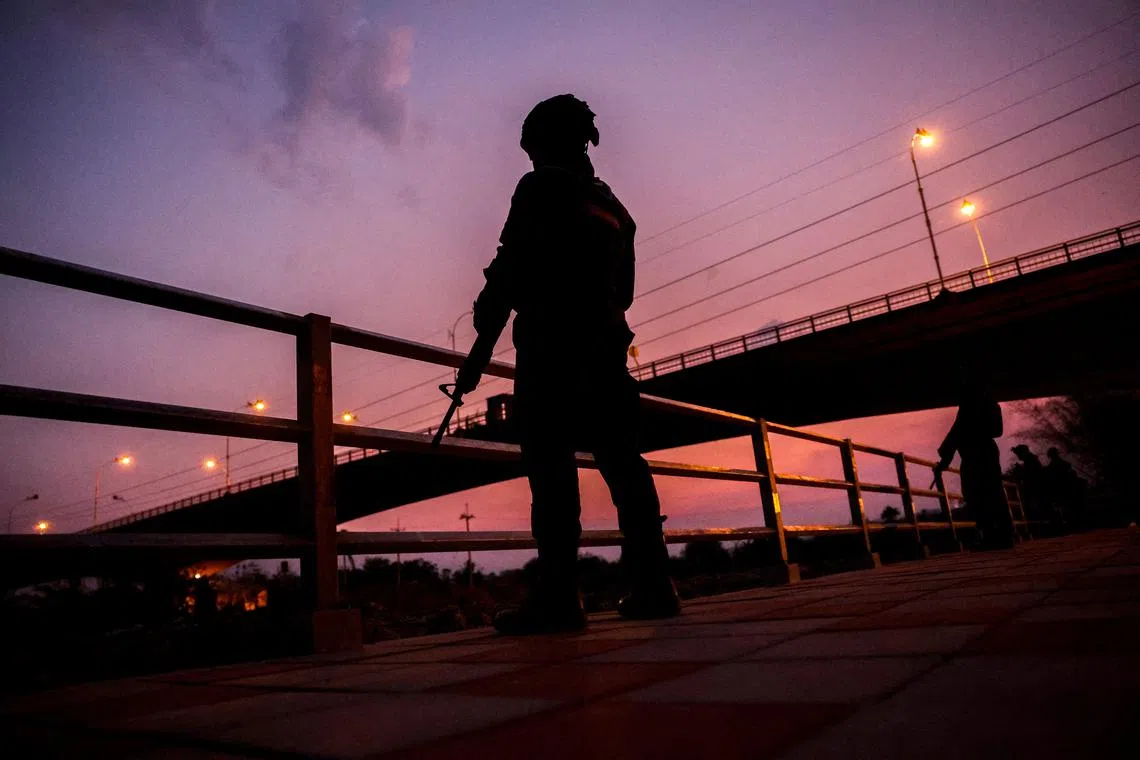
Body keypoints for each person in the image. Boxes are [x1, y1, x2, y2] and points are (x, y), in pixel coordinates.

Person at [455, 94, 680, 634]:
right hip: (606, 351)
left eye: (531, 147)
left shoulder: (539, 188)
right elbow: (623, 293)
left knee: (551, 471)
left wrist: (479, 348)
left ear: (545, 143)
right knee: (625, 465)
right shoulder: (616, 210)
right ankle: (655, 587)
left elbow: (507, 274)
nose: (529, 159)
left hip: (552, 352)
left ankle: (559, 598)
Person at [935, 382, 1015, 549]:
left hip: (977, 454)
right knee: (988, 492)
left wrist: (945, 459)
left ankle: (996, 534)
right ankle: (998, 534)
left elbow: (956, 434)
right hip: (981, 453)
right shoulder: (988, 404)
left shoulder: (972, 407)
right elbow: (957, 433)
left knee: (981, 493)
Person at [1045, 447, 1087, 526]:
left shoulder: (1057, 464)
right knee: (1067, 505)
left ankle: (1072, 521)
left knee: (1066, 505)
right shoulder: (1059, 463)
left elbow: (1053, 473)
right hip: (1065, 487)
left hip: (1062, 487)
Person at [1011, 444, 1047, 522]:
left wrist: (1020, 471)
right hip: (1035, 489)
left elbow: (1031, 475)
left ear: (1023, 453)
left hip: (1036, 490)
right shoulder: (1031, 460)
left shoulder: (1031, 461)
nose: (1018, 457)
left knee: (1035, 509)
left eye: (1018, 454)